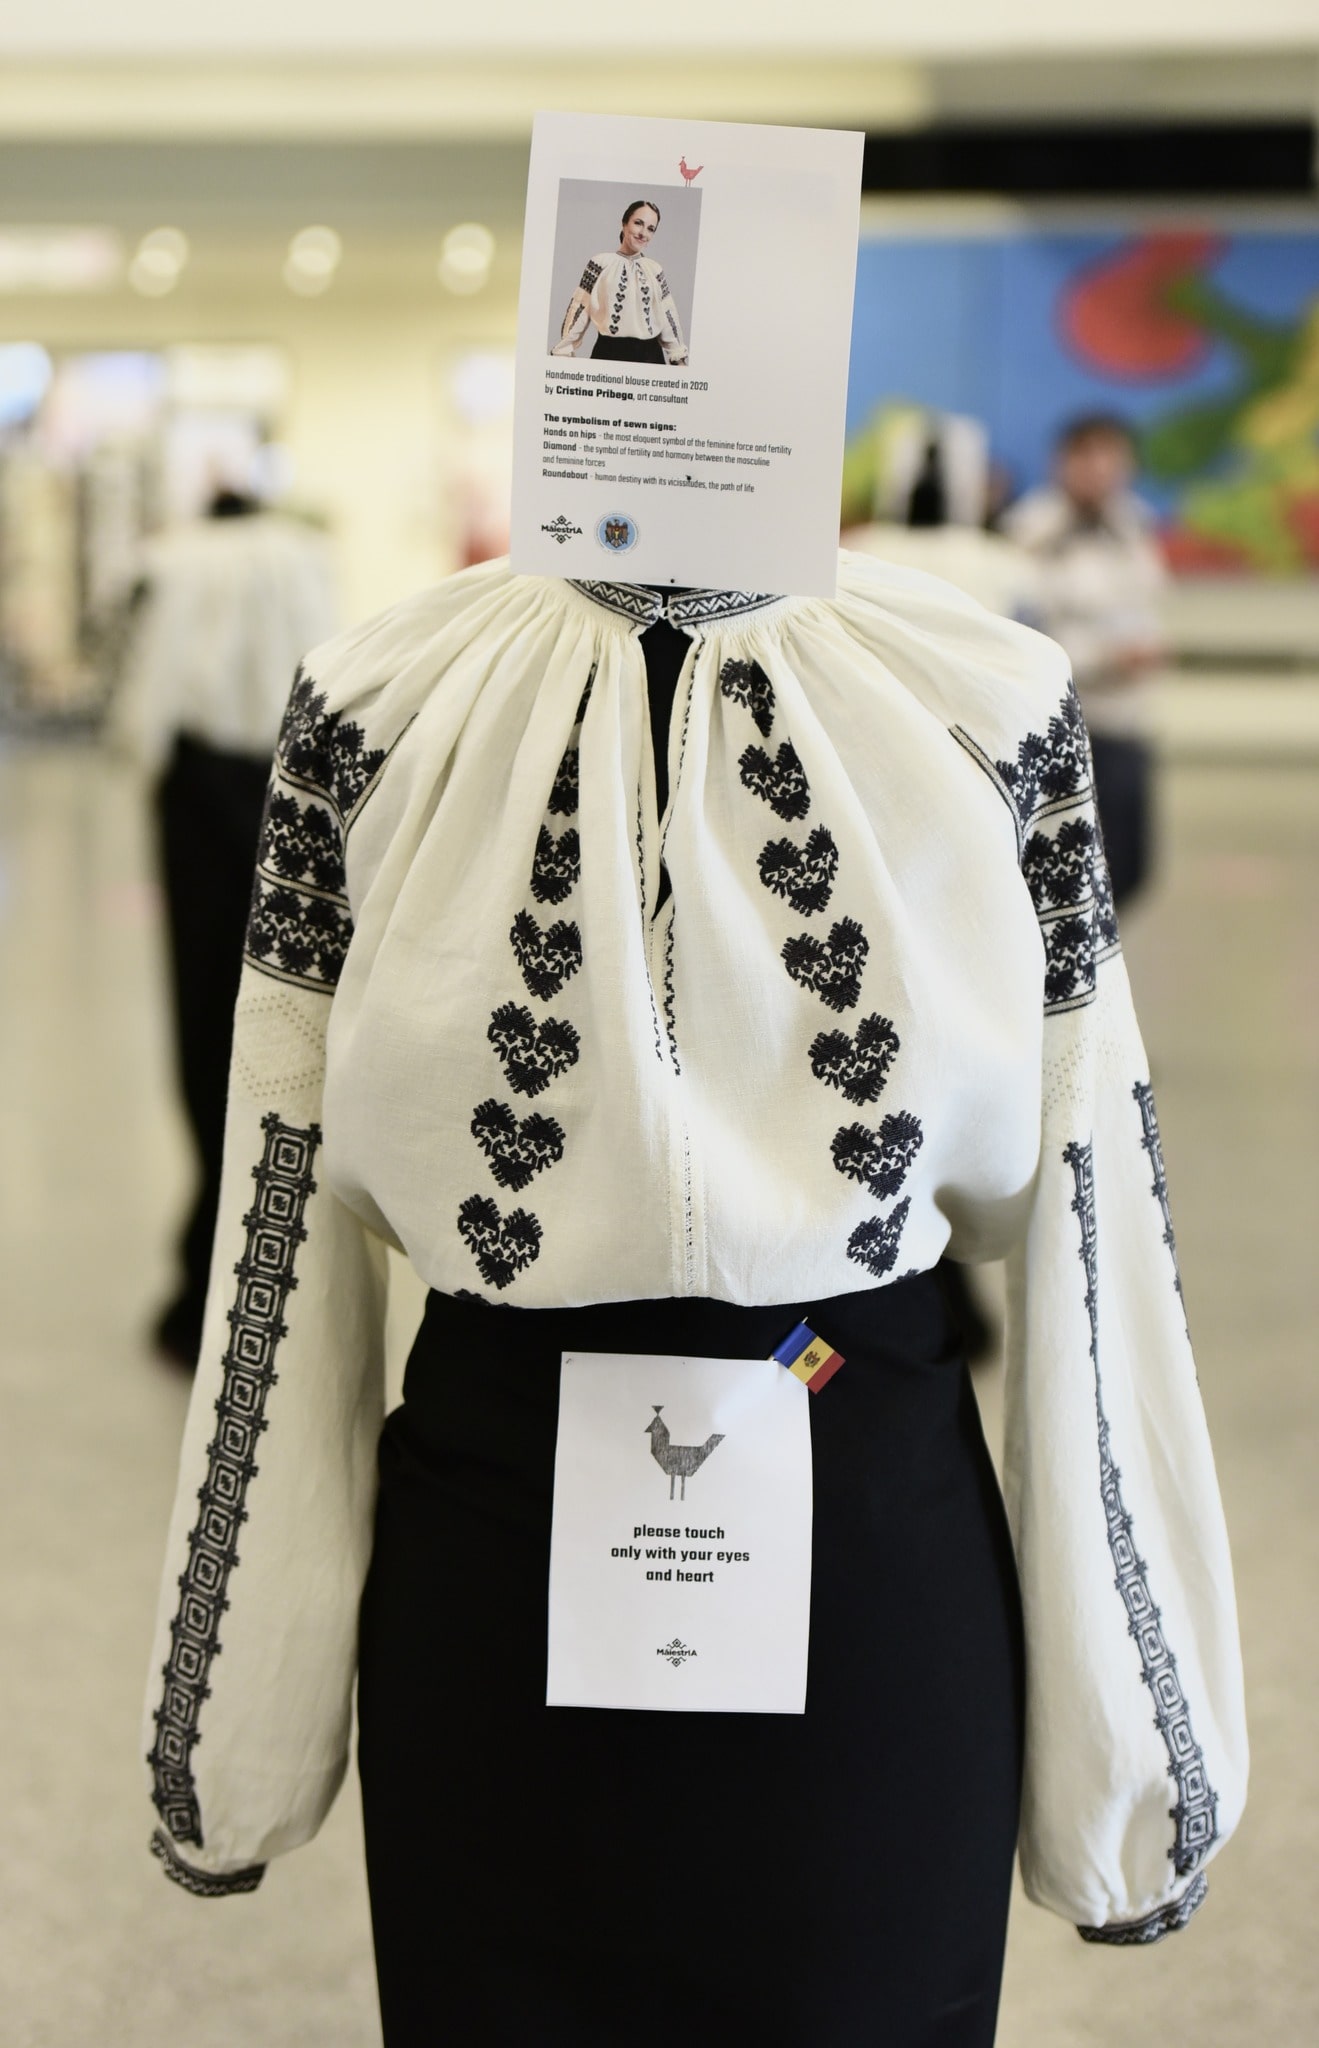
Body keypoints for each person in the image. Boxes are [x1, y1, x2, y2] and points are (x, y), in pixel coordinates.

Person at [143, 552, 1246, 2046]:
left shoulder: (975, 698)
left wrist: (1130, 1757)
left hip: (860, 1538)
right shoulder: (381, 703)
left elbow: (1089, 1213)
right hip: (497, 1563)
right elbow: (283, 1213)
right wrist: (234, 1729)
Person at [114, 485, 338, 1367]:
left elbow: (151, 695)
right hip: (298, 773)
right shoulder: (301, 555)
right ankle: (259, 1269)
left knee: (206, 1029)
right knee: (284, 1028)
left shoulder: (174, 559)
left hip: (200, 785)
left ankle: (212, 1273)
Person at [1002, 414, 1166, 906]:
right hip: (1064, 725)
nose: (1099, 468)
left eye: (1110, 455)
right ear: (1062, 462)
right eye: (1086, 454)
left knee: (1130, 868)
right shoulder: (1028, 532)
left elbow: (1147, 603)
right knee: (1062, 873)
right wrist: (1104, 658)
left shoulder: (1135, 524)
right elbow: (1021, 633)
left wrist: (1148, 647)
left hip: (1127, 721)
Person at [552, 198, 689, 366]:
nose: (643, 233)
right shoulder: (600, 263)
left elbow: (668, 315)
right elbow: (579, 308)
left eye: (650, 229)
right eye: (638, 223)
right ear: (624, 224)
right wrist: (563, 351)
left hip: (650, 359)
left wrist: (678, 358)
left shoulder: (654, 270)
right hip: (608, 354)